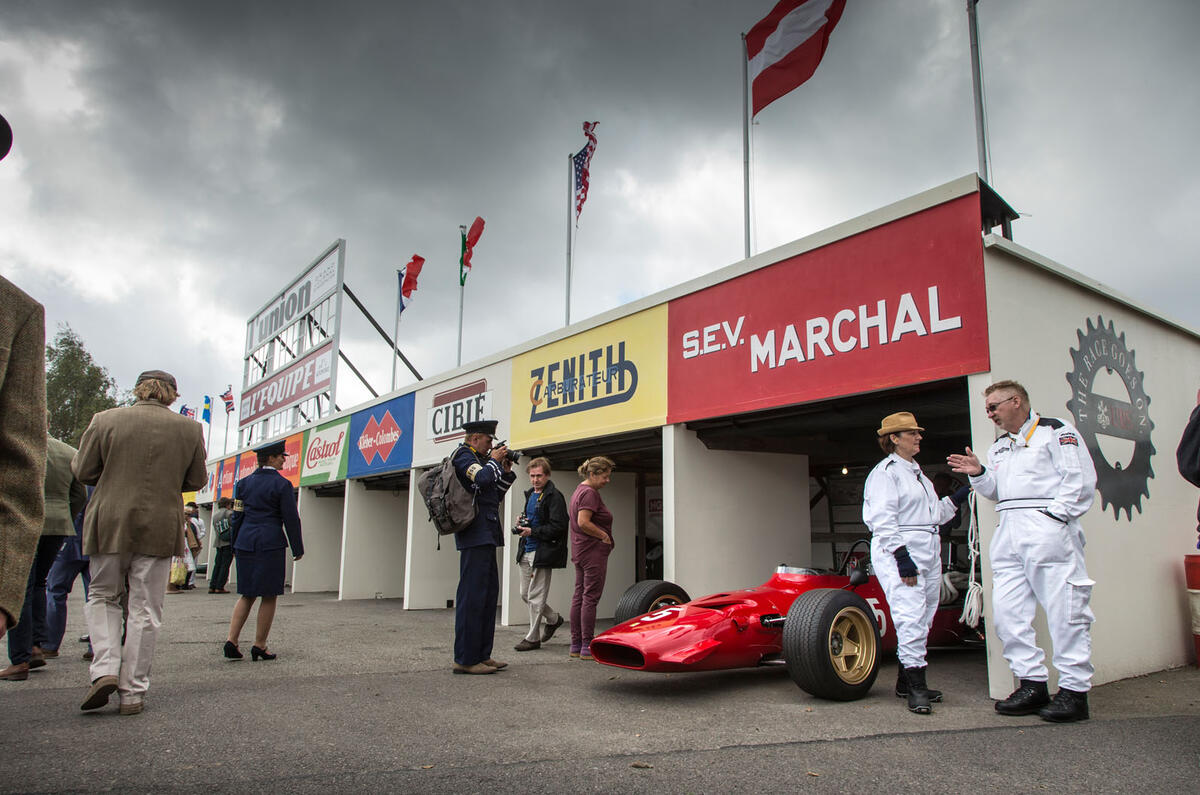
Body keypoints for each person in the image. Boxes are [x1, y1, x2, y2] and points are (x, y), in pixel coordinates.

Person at [948, 379, 1098, 723]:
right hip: (1009, 527)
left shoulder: (1055, 431)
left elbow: (1079, 479)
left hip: (1046, 525)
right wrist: (979, 473)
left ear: (1016, 401)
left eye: (994, 407)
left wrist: (1054, 517)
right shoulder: (1000, 447)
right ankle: (1032, 683)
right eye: (987, 409)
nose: (990, 414)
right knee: (1008, 613)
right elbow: (994, 491)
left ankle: (1074, 692)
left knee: (1066, 611)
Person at [72, 369, 208, 715]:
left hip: (110, 519)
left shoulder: (104, 420)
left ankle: (104, 669)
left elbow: (84, 471)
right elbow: (195, 479)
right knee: (146, 608)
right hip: (161, 522)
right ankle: (132, 691)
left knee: (103, 595)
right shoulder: (190, 429)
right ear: (172, 395)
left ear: (137, 390)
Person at [862, 413, 968, 714]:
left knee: (925, 614)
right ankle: (916, 688)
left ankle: (906, 681)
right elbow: (882, 519)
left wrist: (959, 496)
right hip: (902, 549)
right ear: (894, 438)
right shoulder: (887, 473)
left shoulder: (917, 474)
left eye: (918, 432)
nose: (919, 437)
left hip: (927, 547)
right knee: (909, 614)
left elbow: (934, 514)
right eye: (911, 433)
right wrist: (900, 555)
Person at [1, 433, 84, 681]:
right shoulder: (69, 452)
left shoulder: (20, 446)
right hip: (58, 524)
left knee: (22, 587)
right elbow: (80, 495)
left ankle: (20, 658)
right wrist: (66, 516)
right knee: (40, 583)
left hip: (25, 522)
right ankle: (38, 644)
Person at [224, 441, 303, 661]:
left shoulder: (243, 484)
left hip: (246, 542)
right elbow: (291, 518)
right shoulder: (282, 485)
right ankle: (259, 644)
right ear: (270, 458)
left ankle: (232, 639)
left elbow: (237, 516)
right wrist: (297, 547)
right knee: (269, 595)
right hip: (270, 543)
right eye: (280, 456)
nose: (283, 459)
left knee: (247, 593)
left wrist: (234, 544)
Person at [0, 275, 47, 643]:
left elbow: (18, 465)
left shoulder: (15, 309)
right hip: (59, 530)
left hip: (102, 533)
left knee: (97, 595)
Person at [450, 419, 516, 675]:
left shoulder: (481, 458)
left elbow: (493, 492)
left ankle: (482, 654)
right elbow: (482, 476)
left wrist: (506, 471)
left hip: (487, 532)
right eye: (489, 441)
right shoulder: (463, 456)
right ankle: (465, 659)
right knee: (472, 597)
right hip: (473, 533)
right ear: (475, 438)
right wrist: (494, 461)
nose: (492, 446)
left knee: (488, 596)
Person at [511, 457, 568, 652]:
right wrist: (523, 521)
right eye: (532, 476)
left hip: (543, 551)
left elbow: (559, 526)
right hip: (526, 550)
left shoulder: (554, 496)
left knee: (535, 596)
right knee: (525, 594)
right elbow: (536, 519)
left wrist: (532, 531)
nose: (535, 480)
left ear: (547, 475)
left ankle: (532, 638)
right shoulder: (530, 495)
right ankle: (553, 619)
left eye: (539, 476)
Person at [568, 456, 616, 661]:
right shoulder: (589, 494)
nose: (607, 480)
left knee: (579, 596)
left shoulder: (579, 491)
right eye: (604, 476)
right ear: (592, 474)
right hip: (592, 552)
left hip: (580, 551)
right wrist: (604, 536)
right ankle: (587, 644)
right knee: (590, 597)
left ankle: (576, 644)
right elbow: (583, 522)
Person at [43, 486, 93, 660]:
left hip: (69, 539)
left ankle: (50, 644)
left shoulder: (76, 467)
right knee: (97, 596)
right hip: (95, 539)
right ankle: (97, 645)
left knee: (55, 590)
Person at [208, 497, 235, 593]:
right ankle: (220, 587)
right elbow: (234, 527)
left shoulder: (215, 515)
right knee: (225, 565)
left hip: (218, 542)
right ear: (228, 504)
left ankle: (212, 585)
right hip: (227, 542)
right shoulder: (230, 514)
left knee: (217, 564)